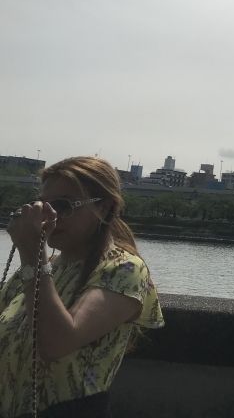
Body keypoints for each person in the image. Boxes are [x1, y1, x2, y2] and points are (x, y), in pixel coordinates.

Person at [0, 156, 164, 417]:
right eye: (44, 206)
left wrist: (32, 254)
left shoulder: (125, 269)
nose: (50, 216)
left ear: (106, 208)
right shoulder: (36, 271)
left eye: (63, 206)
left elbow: (57, 343)